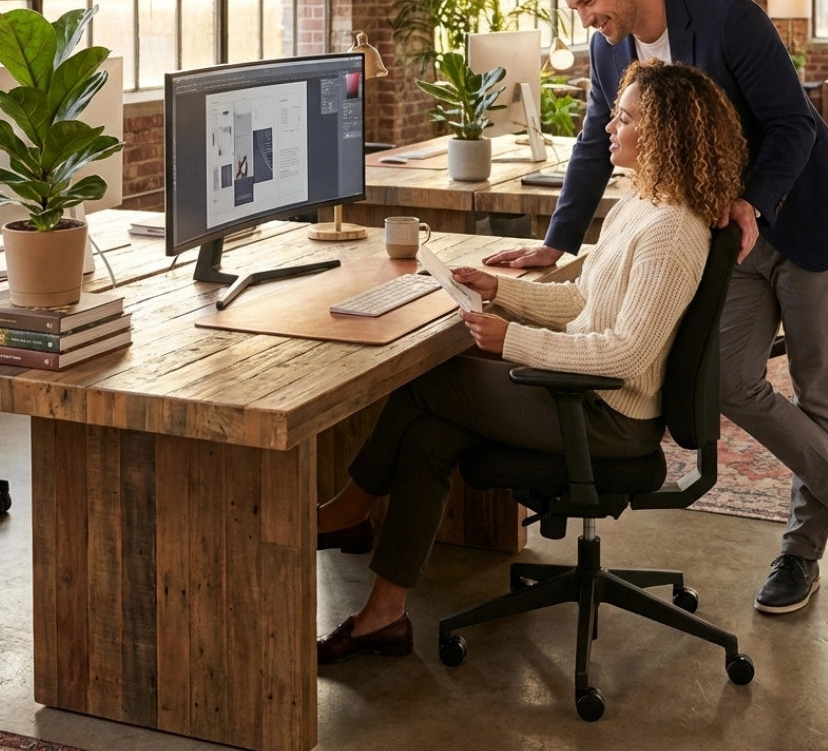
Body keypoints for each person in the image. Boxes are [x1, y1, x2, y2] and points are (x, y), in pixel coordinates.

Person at [483, 0, 828, 615]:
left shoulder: (725, 18)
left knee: (818, 388)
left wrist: (753, 203)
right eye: (576, 9)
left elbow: (793, 124)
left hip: (802, 216)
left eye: (590, 0)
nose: (587, 19)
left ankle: (800, 556)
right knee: (730, 379)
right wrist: (556, 245)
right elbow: (595, 148)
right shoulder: (605, 49)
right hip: (724, 232)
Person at [315, 59, 747, 663]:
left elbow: (625, 353)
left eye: (622, 119)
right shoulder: (641, 203)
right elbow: (582, 302)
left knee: (427, 379)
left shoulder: (671, 231)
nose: (607, 129)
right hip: (584, 394)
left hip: (607, 416)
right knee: (432, 433)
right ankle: (383, 615)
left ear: (662, 134)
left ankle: (347, 511)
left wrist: (507, 340)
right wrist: (501, 293)